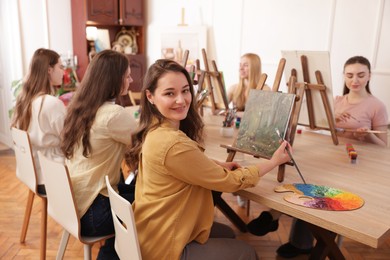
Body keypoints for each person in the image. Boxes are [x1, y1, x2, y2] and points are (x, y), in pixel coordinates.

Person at [124, 59, 292, 260]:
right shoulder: (172, 143)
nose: (181, 100)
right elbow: (230, 182)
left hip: (151, 230)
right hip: (164, 247)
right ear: (150, 96)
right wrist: (273, 162)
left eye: (185, 91)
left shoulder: (155, 129)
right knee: (247, 252)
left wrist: (216, 165)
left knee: (230, 234)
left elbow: (182, 164)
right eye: (170, 93)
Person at [253, 55, 389, 258]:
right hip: (334, 158)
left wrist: (366, 135)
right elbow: (323, 128)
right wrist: (330, 120)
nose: (355, 80)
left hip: (358, 165)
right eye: (350, 75)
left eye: (361, 75)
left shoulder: (377, 105)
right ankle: (295, 237)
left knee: (319, 187)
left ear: (369, 76)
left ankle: (277, 220)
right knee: (306, 178)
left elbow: (384, 146)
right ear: (343, 76)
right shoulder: (335, 101)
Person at [60, 50, 137, 259]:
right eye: (127, 76)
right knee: (154, 204)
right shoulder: (113, 114)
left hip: (74, 204)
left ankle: (109, 252)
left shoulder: (81, 107)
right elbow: (149, 143)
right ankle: (110, 254)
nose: (131, 80)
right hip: (94, 212)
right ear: (114, 79)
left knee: (140, 193)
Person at [11, 48, 66, 193]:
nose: (63, 72)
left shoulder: (24, 100)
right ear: (49, 70)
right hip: (52, 175)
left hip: (32, 173)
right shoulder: (51, 104)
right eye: (60, 67)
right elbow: (70, 140)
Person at [227, 53, 270, 207]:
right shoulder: (234, 88)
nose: (241, 67)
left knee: (248, 163)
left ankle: (243, 189)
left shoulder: (264, 88)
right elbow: (224, 110)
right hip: (236, 133)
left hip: (255, 136)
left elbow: (259, 115)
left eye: (245, 64)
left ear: (254, 67)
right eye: (240, 64)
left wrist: (235, 113)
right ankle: (237, 187)